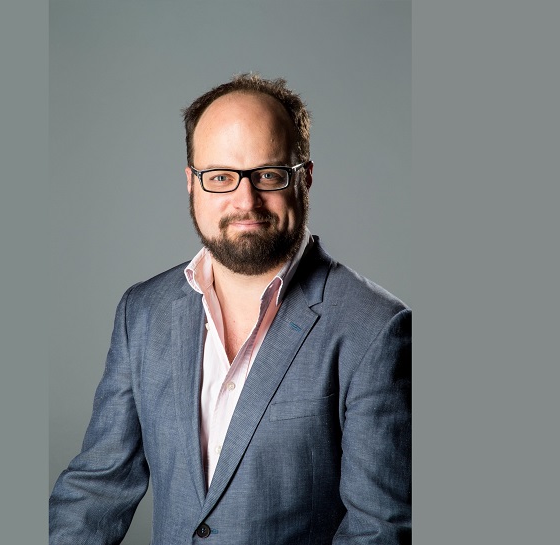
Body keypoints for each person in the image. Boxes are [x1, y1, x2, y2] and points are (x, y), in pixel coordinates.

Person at [49, 74, 411, 544]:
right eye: (220, 177)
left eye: (268, 174)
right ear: (191, 183)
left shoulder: (375, 329)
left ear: (304, 178)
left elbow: (378, 532)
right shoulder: (142, 312)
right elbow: (97, 490)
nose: (245, 200)